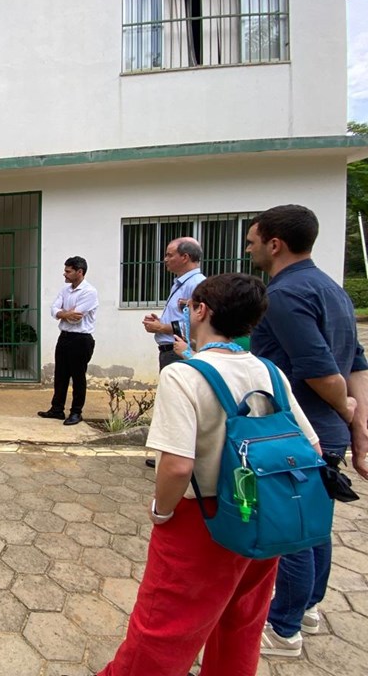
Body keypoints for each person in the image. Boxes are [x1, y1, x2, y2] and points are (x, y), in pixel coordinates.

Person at [99, 273, 321, 676]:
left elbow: (178, 465)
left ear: (202, 310)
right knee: (242, 621)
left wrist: (161, 512)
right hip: (264, 513)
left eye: (190, 307)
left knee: (164, 626)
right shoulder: (270, 372)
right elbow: (312, 447)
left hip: (203, 518)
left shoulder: (185, 375)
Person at [245, 204, 368, 657]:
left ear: (275, 244)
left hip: (296, 435)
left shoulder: (286, 294)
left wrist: (345, 406)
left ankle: (284, 629)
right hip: (327, 431)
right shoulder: (332, 289)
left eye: (253, 241)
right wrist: (356, 427)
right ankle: (308, 608)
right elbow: (357, 363)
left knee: (288, 531)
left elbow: (321, 370)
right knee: (314, 526)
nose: (250, 248)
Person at [38, 256, 98, 425]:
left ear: (80, 272)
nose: (64, 274)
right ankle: (57, 409)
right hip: (64, 337)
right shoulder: (65, 290)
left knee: (78, 377)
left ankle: (76, 412)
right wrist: (65, 313)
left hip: (81, 339)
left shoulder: (89, 292)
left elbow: (76, 318)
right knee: (60, 375)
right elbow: (54, 310)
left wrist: (62, 313)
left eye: (68, 271)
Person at [142, 237, 206, 371]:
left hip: (181, 352)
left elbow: (199, 324)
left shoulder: (196, 284)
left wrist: (162, 327)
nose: (165, 259)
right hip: (171, 351)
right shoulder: (181, 283)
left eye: (169, 255)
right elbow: (182, 318)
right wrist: (160, 322)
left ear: (185, 257)